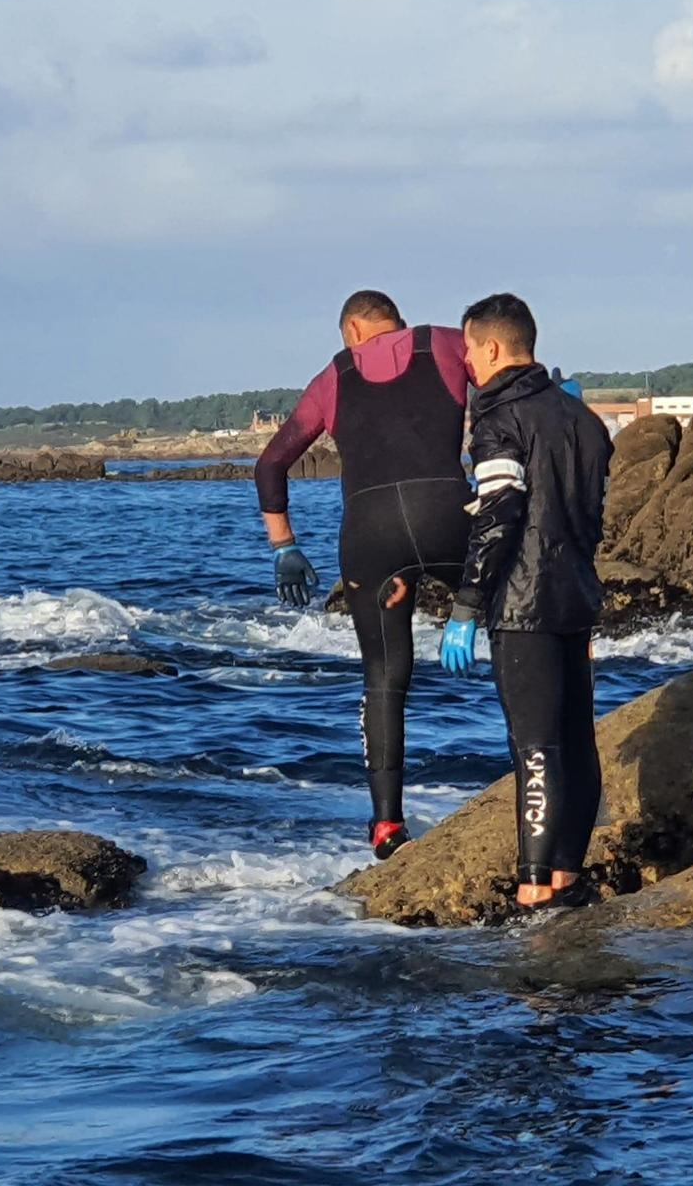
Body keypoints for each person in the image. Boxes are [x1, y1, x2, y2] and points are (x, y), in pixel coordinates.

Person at [254, 290, 472, 859]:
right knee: (513, 635)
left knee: (384, 677)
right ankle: (539, 781)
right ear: (396, 321)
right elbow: (510, 385)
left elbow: (271, 463)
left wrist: (285, 547)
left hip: (371, 536)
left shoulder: (335, 375)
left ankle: (386, 825)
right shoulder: (446, 344)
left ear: (352, 329)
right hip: (448, 516)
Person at [439, 294, 613, 909]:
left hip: (522, 605)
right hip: (576, 598)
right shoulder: (584, 420)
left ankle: (534, 888)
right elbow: (590, 520)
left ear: (492, 347)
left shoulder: (499, 419)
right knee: (576, 740)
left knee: (535, 746)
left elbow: (499, 513)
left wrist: (466, 605)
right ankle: (567, 878)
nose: (465, 362)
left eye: (468, 349)